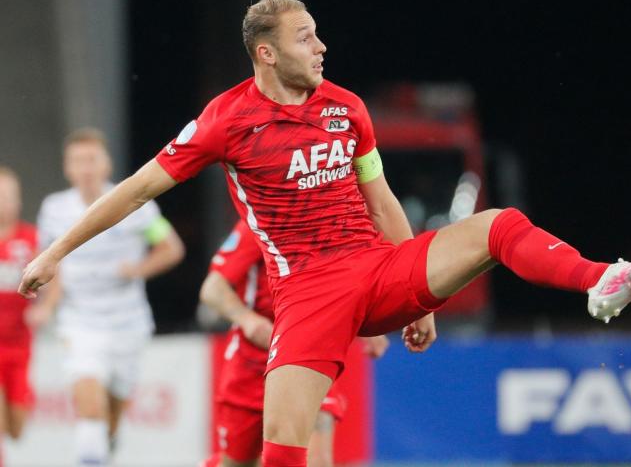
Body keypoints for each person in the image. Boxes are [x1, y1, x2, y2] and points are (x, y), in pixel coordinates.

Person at [18, 0, 631, 467]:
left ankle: (598, 280)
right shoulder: (226, 121)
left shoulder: (347, 108)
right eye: (306, 38)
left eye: (319, 34)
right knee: (285, 447)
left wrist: (421, 287)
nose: (322, 47)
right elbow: (137, 188)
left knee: (495, 225)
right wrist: (56, 250)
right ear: (266, 53)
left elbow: (379, 197)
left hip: (376, 269)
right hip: (305, 295)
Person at [33, 128, 185, 466]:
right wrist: (47, 306)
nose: (85, 168)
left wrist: (138, 269)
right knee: (90, 411)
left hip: (127, 323)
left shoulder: (133, 204)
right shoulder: (54, 210)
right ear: (67, 168)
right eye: (78, 161)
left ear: (106, 164)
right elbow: (51, 264)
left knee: (110, 417)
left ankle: (106, 446)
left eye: (92, 160)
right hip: (80, 323)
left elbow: (170, 248)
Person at [201, 220, 389, 467]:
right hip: (252, 365)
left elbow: (347, 280)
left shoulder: (333, 221)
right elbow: (212, 288)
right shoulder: (258, 223)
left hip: (309, 352)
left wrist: (369, 324)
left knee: (318, 461)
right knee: (239, 462)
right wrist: (247, 320)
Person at [0, 166, 40, 459]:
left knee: (16, 428)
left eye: (8, 196)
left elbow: (57, 278)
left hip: (20, 345)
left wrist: (46, 308)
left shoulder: (31, 239)